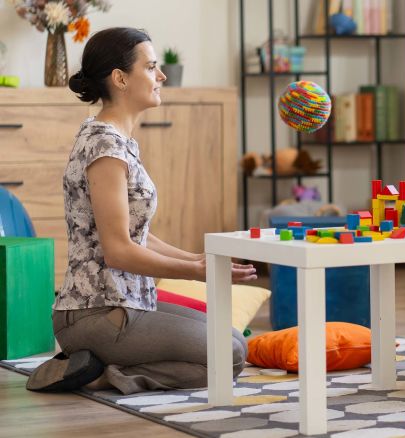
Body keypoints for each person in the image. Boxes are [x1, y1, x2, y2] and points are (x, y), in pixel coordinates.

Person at [26, 27, 257, 394]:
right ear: (120, 78)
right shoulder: (105, 147)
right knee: (227, 355)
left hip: (128, 302)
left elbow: (137, 234)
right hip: (95, 312)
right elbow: (119, 250)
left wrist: (200, 259)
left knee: (236, 341)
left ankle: (91, 364)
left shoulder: (116, 140)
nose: (161, 76)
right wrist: (195, 272)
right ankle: (102, 375)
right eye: (151, 67)